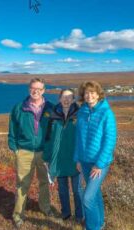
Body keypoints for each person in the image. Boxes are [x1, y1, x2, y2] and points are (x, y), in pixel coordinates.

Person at [8, 78, 54, 229]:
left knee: (44, 182)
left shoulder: (51, 108)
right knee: (22, 184)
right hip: (24, 152)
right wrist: (15, 149)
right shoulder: (19, 108)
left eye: (39, 89)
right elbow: (12, 130)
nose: (36, 91)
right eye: (33, 88)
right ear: (29, 89)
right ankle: (18, 215)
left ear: (44, 90)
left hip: (44, 152)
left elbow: (55, 131)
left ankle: (45, 208)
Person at [74, 81, 117, 230]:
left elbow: (109, 140)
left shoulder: (106, 113)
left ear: (98, 94)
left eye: (92, 92)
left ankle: (92, 227)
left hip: (99, 163)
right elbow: (78, 137)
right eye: (86, 93)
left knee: (87, 198)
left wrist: (99, 164)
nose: (89, 95)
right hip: (84, 161)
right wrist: (77, 158)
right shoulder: (82, 111)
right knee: (95, 195)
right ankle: (100, 223)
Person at [43, 89, 84, 223]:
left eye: (69, 97)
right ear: (59, 98)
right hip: (58, 158)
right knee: (62, 189)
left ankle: (79, 216)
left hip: (75, 158)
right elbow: (47, 138)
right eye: (64, 97)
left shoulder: (80, 114)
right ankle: (66, 214)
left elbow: (84, 138)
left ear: (73, 99)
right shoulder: (52, 115)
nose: (66, 100)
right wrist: (47, 158)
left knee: (77, 190)